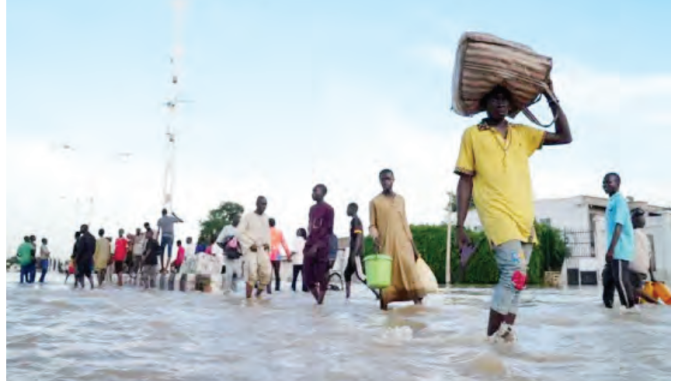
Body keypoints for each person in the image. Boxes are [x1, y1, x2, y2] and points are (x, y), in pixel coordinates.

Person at [454, 84, 572, 342]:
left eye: (505, 99)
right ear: (484, 104)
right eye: (494, 99)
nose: (500, 103)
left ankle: (505, 337)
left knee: (520, 279)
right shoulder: (472, 134)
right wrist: (460, 225)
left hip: (524, 216)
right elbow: (465, 180)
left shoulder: (522, 133)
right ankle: (490, 339)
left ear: (512, 105)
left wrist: (552, 99)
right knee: (513, 270)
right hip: (496, 214)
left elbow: (565, 136)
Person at [369, 169, 425, 311]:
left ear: (393, 180)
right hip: (386, 246)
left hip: (404, 244)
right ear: (379, 181)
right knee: (386, 281)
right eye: (382, 179)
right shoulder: (374, 202)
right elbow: (372, 225)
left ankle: (419, 312)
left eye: (388, 178)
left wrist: (414, 248)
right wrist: (374, 237)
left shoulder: (401, 200)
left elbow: (405, 223)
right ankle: (384, 314)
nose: (385, 182)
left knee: (411, 274)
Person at [602, 173, 638, 313]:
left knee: (620, 279)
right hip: (614, 249)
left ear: (618, 183)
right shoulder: (611, 202)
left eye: (609, 182)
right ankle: (609, 307)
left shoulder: (620, 201)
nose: (605, 186)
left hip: (620, 248)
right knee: (608, 279)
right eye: (604, 183)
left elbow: (619, 226)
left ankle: (629, 307)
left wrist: (611, 249)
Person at [303, 184, 335, 305]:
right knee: (307, 277)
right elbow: (310, 227)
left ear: (323, 193)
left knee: (322, 276)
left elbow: (329, 231)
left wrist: (317, 246)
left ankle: (320, 303)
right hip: (309, 245)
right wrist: (308, 245)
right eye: (313, 191)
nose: (313, 193)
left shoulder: (329, 209)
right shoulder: (311, 209)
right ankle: (318, 302)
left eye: (315, 191)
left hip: (322, 247)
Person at [237, 196, 272, 299]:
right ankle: (248, 299)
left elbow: (267, 233)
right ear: (257, 204)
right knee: (251, 274)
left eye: (265, 204)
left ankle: (257, 295)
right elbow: (239, 232)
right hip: (250, 249)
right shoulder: (248, 217)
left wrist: (267, 244)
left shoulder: (266, 217)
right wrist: (249, 244)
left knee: (266, 274)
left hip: (262, 249)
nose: (264, 206)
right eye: (262, 204)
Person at [629, 208, 658, 304]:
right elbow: (650, 257)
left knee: (634, 290)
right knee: (634, 295)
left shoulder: (631, 234)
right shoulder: (647, 237)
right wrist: (652, 276)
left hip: (633, 269)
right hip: (643, 270)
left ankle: (655, 303)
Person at [345, 203, 368, 299]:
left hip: (356, 253)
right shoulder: (353, 221)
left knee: (360, 275)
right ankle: (347, 297)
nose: (346, 211)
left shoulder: (356, 220)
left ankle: (379, 293)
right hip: (353, 252)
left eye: (347, 209)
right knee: (347, 273)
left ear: (352, 209)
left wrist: (354, 254)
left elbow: (358, 237)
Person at [217, 215, 242, 293]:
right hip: (229, 255)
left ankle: (234, 290)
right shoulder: (227, 228)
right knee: (229, 273)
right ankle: (227, 291)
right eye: (236, 219)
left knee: (238, 274)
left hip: (238, 255)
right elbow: (218, 241)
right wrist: (225, 248)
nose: (237, 221)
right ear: (232, 220)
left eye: (239, 220)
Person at [267, 218, 291, 293]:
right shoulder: (279, 232)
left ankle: (269, 290)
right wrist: (288, 255)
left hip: (268, 254)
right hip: (277, 254)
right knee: (277, 272)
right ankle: (277, 288)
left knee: (268, 273)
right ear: (275, 223)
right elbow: (284, 244)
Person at [157, 208, 184, 273]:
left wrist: (156, 239)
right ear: (166, 212)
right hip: (170, 236)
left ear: (162, 213)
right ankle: (166, 268)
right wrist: (174, 215)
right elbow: (181, 220)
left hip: (163, 235)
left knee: (162, 252)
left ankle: (162, 267)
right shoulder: (171, 218)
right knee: (169, 253)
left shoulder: (160, 220)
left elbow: (158, 231)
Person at [74, 224, 96, 289]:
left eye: (81, 229)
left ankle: (82, 287)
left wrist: (76, 259)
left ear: (84, 229)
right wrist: (90, 255)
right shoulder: (93, 237)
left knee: (81, 273)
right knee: (88, 272)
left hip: (82, 259)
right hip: (89, 258)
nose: (80, 230)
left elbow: (80, 250)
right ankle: (92, 284)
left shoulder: (82, 238)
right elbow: (94, 249)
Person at [290, 228, 308, 292]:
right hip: (304, 261)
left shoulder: (295, 240)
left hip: (296, 261)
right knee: (304, 276)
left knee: (295, 276)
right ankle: (305, 288)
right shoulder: (306, 240)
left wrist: (289, 256)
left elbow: (294, 250)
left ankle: (293, 286)